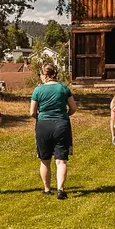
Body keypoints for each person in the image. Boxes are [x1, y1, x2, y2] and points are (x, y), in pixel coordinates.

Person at [30, 63, 76, 199]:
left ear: (45, 75)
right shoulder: (63, 88)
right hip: (61, 125)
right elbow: (73, 107)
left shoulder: (37, 90)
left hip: (43, 125)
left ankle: (46, 188)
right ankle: (61, 189)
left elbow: (32, 111)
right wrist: (64, 115)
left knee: (45, 160)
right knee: (61, 160)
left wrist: (40, 117)